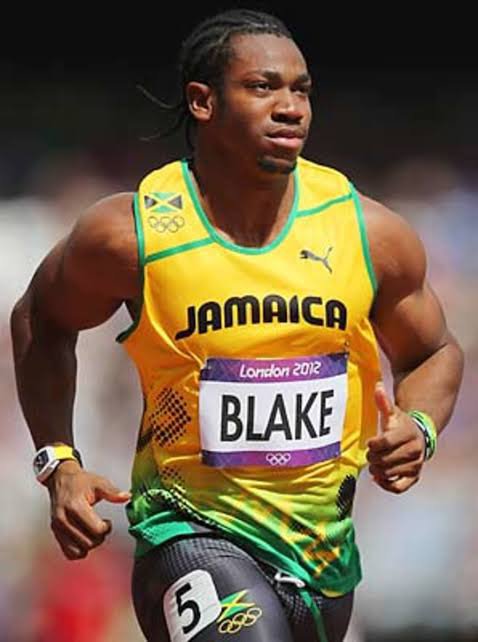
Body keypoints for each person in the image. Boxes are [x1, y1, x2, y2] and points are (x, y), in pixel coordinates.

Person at [10, 9, 464, 642]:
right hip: (187, 533)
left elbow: (434, 351)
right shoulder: (133, 234)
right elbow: (41, 320)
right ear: (203, 101)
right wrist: (58, 460)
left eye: (301, 90)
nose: (291, 108)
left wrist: (419, 426)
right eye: (262, 87)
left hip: (322, 558)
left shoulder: (368, 233)